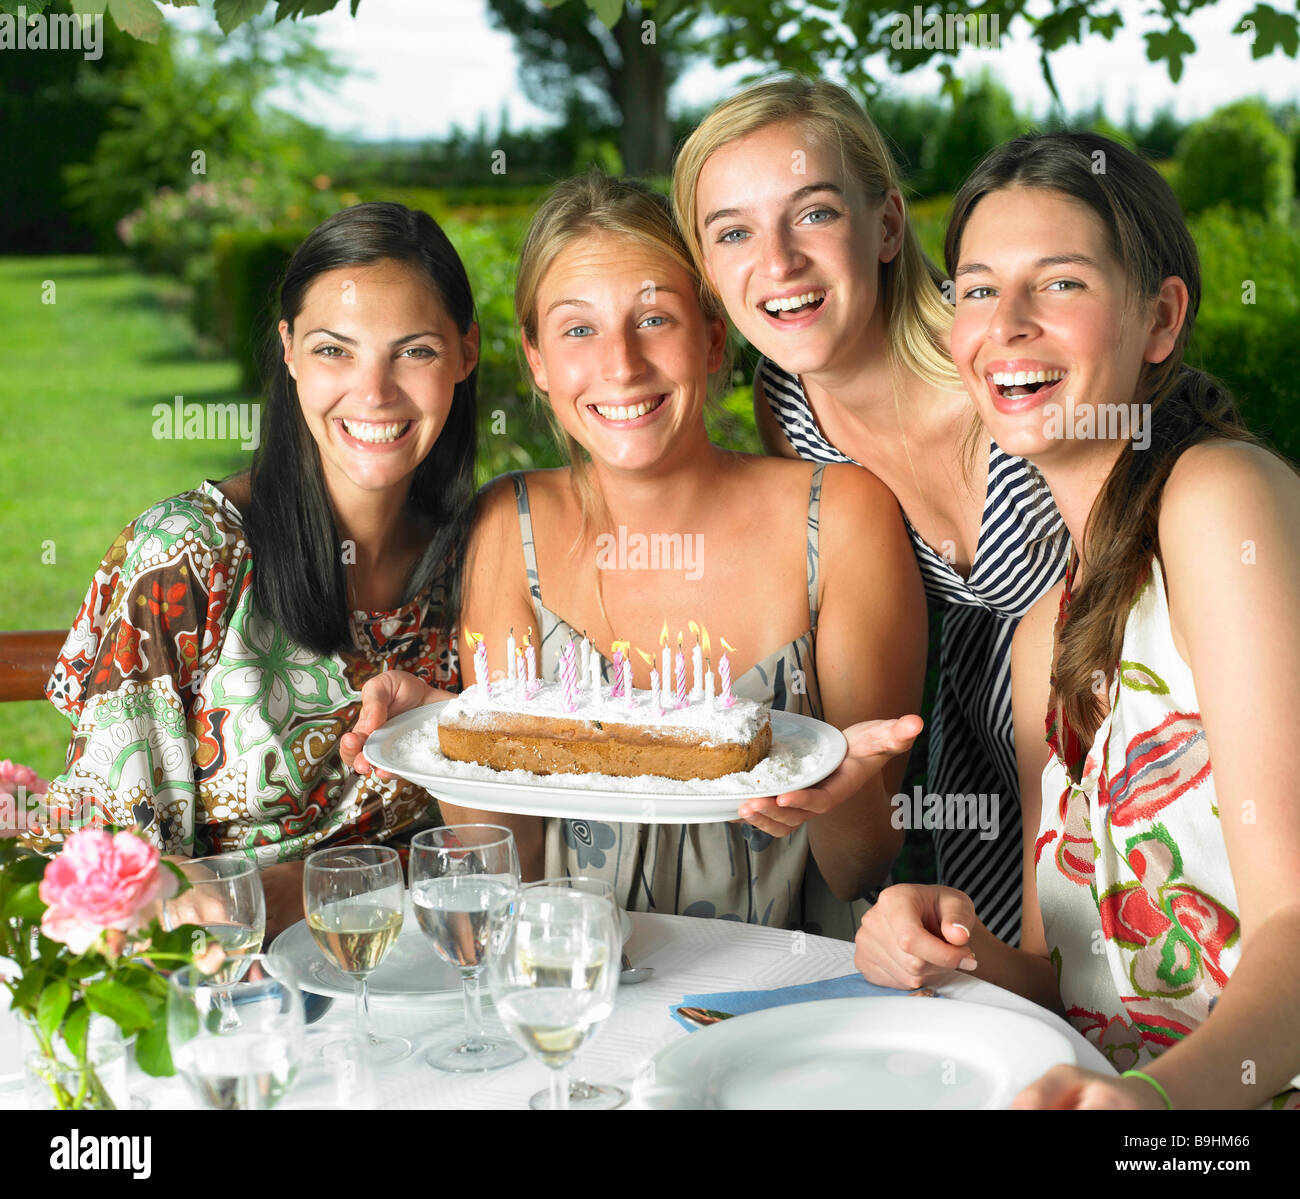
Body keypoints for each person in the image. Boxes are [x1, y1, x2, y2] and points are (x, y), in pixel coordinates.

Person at [344, 172, 927, 940]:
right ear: (538, 361)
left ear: (714, 337)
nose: (621, 364)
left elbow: (857, 869)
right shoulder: (507, 525)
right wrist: (450, 730)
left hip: (789, 989)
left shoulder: (843, 518)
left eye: (654, 318)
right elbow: (508, 861)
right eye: (578, 330)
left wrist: (840, 786)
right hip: (578, 983)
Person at [855, 132, 1300, 1108]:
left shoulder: (1220, 501)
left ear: (1159, 318)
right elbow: (1074, 982)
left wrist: (1158, 1099)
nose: (1004, 324)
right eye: (974, 289)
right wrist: (948, 949)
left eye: (1057, 285)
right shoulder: (1036, 636)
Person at [672, 77, 1069, 945]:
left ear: (887, 225)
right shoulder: (789, 405)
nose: (776, 264)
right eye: (733, 232)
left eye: (813, 214)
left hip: (1128, 746)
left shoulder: (1006, 364)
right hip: (984, 767)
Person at [23, 202, 480, 938]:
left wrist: (306, 887)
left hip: (426, 984)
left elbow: (506, 837)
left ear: (466, 352)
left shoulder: (478, 559)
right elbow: (121, 880)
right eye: (336, 350)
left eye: (415, 350)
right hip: (233, 995)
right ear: (289, 350)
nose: (375, 391)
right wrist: (305, 890)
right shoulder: (185, 559)